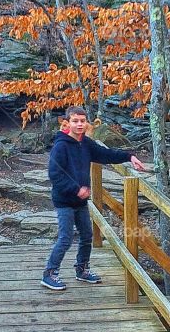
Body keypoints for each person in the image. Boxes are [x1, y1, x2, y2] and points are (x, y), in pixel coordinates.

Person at [42, 106, 146, 291]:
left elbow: (106, 154)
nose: (79, 124)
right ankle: (49, 273)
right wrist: (76, 189)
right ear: (67, 123)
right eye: (75, 121)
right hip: (64, 200)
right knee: (65, 238)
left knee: (87, 235)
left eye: (82, 121)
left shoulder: (86, 143)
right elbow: (55, 175)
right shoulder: (61, 146)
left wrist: (130, 157)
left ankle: (82, 269)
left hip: (80, 201)